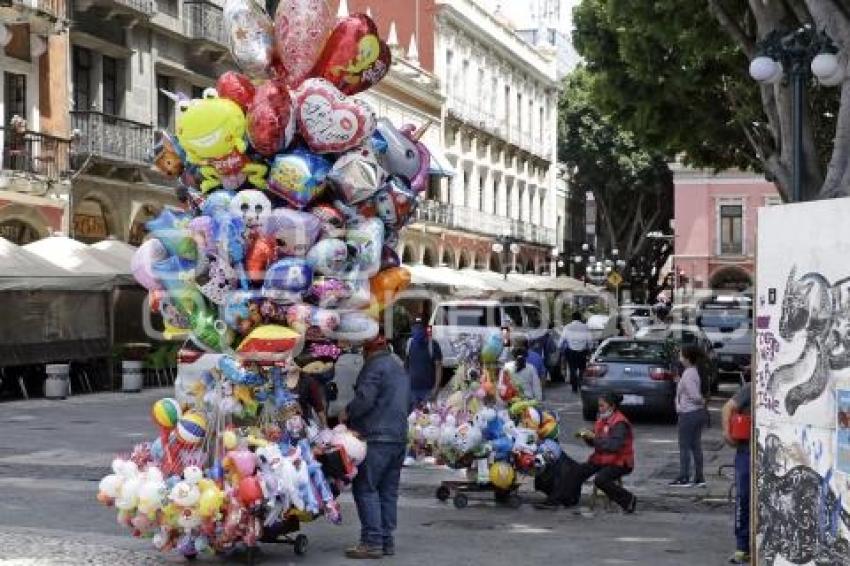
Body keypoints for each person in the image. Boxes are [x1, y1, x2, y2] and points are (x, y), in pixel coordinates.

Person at [340, 334, 410, 559]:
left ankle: (371, 541)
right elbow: (408, 403)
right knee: (388, 491)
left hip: (377, 437)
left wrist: (348, 412)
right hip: (398, 437)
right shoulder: (399, 368)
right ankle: (386, 541)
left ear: (367, 352)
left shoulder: (373, 367)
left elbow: (365, 399)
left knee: (366, 487)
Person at [543, 392, 637, 512]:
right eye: (599, 406)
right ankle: (557, 500)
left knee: (601, 479)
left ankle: (628, 500)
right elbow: (596, 442)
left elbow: (613, 446)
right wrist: (587, 437)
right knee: (576, 471)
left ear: (612, 407)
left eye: (602, 406)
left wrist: (594, 438)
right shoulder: (602, 420)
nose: (600, 408)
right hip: (602, 459)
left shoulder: (620, 423)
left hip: (620, 462)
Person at [722, 373, 751, 564]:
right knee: (743, 498)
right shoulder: (752, 388)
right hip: (747, 452)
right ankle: (742, 547)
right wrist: (728, 434)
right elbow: (728, 407)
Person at [670, 346, 708, 487]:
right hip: (696, 413)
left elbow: (694, 395)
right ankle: (699, 477)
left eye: (681, 355)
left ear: (686, 358)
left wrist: (701, 400)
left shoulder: (689, 374)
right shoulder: (691, 372)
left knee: (685, 446)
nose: (679, 358)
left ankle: (684, 476)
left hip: (689, 413)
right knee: (695, 445)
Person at [404, 318, 443, 406]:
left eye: (419, 327)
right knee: (412, 418)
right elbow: (406, 366)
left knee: (427, 417)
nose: (417, 330)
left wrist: (436, 388)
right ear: (411, 328)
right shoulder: (409, 344)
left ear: (425, 329)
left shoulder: (433, 345)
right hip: (412, 390)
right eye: (415, 327)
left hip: (428, 390)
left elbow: (438, 368)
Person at [283, 361, 328, 428]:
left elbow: (318, 406)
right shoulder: (276, 380)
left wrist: (325, 426)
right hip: (282, 423)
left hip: (302, 423)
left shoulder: (308, 381)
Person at [560, 312, 591, 392]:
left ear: (572, 318)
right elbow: (589, 341)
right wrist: (589, 349)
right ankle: (580, 384)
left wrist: (560, 348)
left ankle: (574, 387)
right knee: (582, 369)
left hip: (571, 352)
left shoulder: (567, 327)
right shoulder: (585, 327)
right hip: (582, 352)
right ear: (580, 318)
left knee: (572, 369)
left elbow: (562, 340)